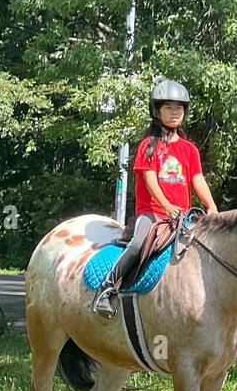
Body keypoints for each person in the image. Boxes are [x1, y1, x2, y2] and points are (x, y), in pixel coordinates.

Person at [90, 80, 218, 317]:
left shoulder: (189, 149)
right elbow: (150, 180)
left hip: (181, 216)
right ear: (157, 112)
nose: (174, 112)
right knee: (138, 244)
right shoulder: (148, 146)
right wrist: (167, 206)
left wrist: (211, 205)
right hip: (151, 213)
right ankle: (106, 288)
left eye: (179, 108)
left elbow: (197, 179)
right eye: (168, 107)